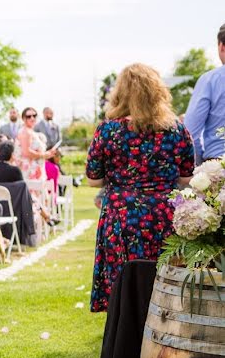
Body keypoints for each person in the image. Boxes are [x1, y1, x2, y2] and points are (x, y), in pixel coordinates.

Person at [86, 63, 194, 312]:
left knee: (123, 286)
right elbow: (187, 176)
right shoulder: (176, 130)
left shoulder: (108, 130)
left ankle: (122, 343)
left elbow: (93, 179)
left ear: (120, 93)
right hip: (163, 217)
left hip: (122, 218)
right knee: (164, 285)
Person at [184, 23, 225, 163]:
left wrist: (202, 165)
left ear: (222, 46)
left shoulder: (210, 80)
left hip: (219, 167)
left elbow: (190, 133)